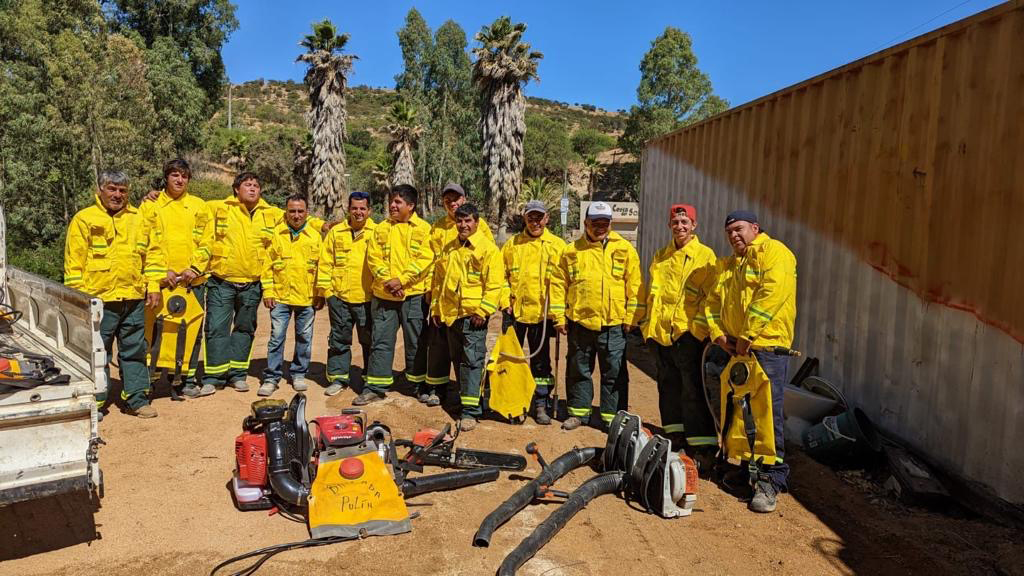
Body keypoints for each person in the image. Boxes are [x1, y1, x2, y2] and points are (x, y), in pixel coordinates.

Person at [198, 173, 326, 395]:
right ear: (236, 189)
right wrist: (155, 197)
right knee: (216, 329)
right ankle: (213, 377)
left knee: (245, 329)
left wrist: (324, 225)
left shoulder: (271, 213)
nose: (253, 188)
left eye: (256, 185)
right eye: (247, 185)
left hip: (252, 284)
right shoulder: (217, 207)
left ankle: (237, 375)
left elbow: (300, 216)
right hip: (222, 281)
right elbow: (190, 208)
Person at [704, 210, 797, 513]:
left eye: (739, 229)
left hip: (766, 349)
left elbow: (772, 294)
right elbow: (712, 303)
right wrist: (719, 334)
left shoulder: (775, 253)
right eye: (729, 231)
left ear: (755, 228)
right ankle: (748, 469)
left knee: (768, 415)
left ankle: (772, 479)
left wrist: (747, 334)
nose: (734, 235)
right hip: (739, 351)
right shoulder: (731, 265)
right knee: (743, 413)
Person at [64, 171, 165, 418]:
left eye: (122, 190)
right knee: (98, 353)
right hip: (99, 300)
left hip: (132, 298)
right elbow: (73, 262)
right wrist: (79, 300)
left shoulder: (138, 219)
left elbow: (152, 255)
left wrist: (153, 285)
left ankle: (137, 399)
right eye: (112, 189)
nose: (117, 195)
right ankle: (94, 403)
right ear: (100, 190)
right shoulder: (84, 219)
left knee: (135, 350)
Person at [549, 201, 644, 431]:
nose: (600, 227)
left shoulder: (625, 249)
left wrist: (632, 317)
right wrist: (559, 317)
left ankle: (613, 418)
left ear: (610, 224)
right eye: (595, 223)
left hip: (614, 325)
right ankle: (578, 413)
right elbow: (558, 285)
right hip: (580, 323)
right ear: (586, 223)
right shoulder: (571, 252)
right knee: (579, 370)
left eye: (605, 223)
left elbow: (636, 286)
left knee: (614, 372)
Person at [642, 204, 717, 464]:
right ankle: (675, 437)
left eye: (685, 222)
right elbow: (654, 295)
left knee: (692, 389)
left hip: (688, 335)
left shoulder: (705, 256)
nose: (680, 227)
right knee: (667, 387)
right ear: (670, 226)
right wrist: (647, 328)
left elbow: (711, 297)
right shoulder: (661, 256)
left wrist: (696, 331)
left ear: (694, 226)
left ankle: (703, 447)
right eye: (676, 222)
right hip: (661, 334)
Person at [138, 159, 213, 397]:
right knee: (154, 332)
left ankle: (185, 380)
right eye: (175, 175)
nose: (180, 180)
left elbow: (207, 241)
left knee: (190, 330)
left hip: (192, 282)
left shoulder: (199, 206)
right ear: (166, 178)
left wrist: (194, 268)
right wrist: (161, 274)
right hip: (160, 282)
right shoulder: (150, 206)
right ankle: (149, 380)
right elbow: (142, 243)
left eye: (184, 176)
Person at [355, 184, 434, 405]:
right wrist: (389, 281)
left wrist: (402, 280)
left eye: (398, 202)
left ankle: (418, 385)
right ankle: (375, 386)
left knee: (416, 342)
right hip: (384, 296)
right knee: (380, 341)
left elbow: (425, 259)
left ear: (411, 205)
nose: (392, 205)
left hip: (413, 296)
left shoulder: (424, 229)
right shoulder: (381, 228)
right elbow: (373, 258)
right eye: (391, 201)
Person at [428, 204, 503, 430]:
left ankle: (471, 412)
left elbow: (495, 285)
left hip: (474, 318)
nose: (463, 225)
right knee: (458, 360)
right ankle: (465, 401)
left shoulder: (488, 250)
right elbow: (439, 282)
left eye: (468, 221)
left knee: (472, 362)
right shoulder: (450, 248)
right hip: (452, 317)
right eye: (460, 221)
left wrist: (483, 311)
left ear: (477, 223)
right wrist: (436, 309)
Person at [421, 182, 494, 402]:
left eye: (456, 199)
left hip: (467, 305)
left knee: (468, 354)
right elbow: (431, 262)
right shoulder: (437, 228)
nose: (452, 203)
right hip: (442, 299)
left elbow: (489, 268)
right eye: (447, 200)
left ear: (464, 200)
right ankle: (438, 389)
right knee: (439, 347)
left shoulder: (481, 230)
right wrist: (430, 292)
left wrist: (484, 307)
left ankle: (472, 398)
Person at [499, 199, 566, 425]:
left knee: (541, 364)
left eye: (539, 217)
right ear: (525, 218)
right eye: (531, 217)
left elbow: (564, 282)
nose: (535, 221)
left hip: (542, 317)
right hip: (515, 313)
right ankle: (514, 405)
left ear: (547, 218)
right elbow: (501, 277)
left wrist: (558, 314)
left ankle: (540, 404)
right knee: (512, 360)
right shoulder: (512, 245)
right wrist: (504, 299)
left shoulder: (558, 246)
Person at [258, 195, 324, 396]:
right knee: (276, 338)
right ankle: (271, 378)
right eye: (292, 211)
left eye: (300, 211)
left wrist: (320, 294)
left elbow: (322, 268)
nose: (296, 215)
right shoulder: (276, 235)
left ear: (307, 213)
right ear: (286, 212)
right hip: (280, 298)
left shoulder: (314, 237)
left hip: (306, 298)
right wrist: (268, 291)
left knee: (304, 337)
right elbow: (267, 267)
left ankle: (298, 374)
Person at [316, 191, 376, 396]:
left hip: (367, 298)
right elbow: (325, 263)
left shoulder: (377, 232)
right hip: (339, 297)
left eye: (362, 208)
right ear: (348, 209)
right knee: (339, 339)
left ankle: (369, 379)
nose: (358, 212)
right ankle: (338, 378)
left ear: (369, 210)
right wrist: (328, 293)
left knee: (369, 341)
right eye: (354, 208)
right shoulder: (336, 232)